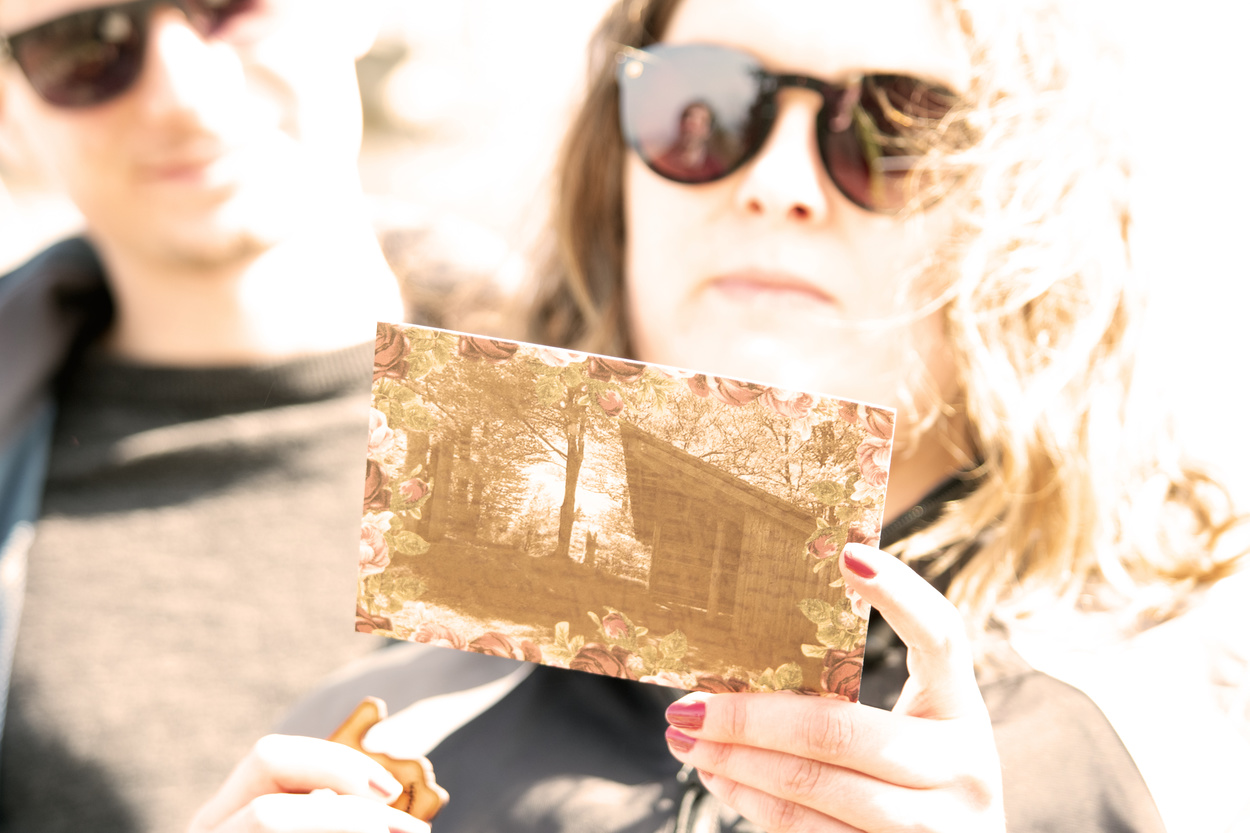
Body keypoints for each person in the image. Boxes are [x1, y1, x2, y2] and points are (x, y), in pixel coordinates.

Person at [192, 0, 1247, 831]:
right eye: (698, 106)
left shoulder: (1187, 724)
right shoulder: (376, 729)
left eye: (892, 127)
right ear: (614, 181)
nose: (778, 183)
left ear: (1041, 221)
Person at [0, 0, 436, 829]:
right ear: (8, 108)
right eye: (86, 43)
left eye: (231, 5)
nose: (185, 95)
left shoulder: (615, 433)